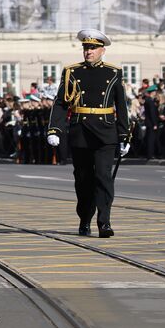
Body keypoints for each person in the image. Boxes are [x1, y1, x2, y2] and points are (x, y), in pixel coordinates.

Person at [48, 29, 131, 237]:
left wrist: (124, 135)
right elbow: (60, 103)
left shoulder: (113, 72)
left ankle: (104, 223)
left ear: (103, 50)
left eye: (93, 48)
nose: (88, 52)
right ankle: (85, 218)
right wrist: (55, 129)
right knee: (83, 180)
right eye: (86, 48)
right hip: (81, 131)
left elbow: (121, 106)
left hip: (105, 132)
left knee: (104, 178)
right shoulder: (71, 72)